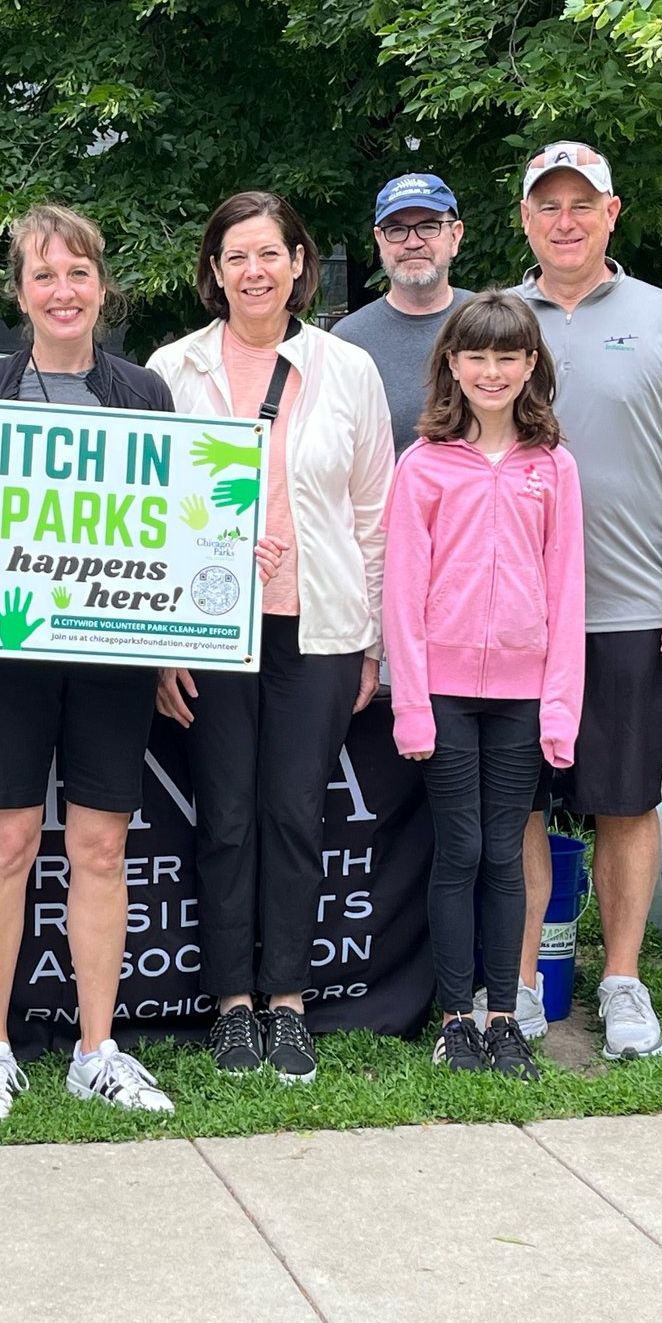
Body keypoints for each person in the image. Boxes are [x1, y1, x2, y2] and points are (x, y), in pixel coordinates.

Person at [0, 206, 178, 1121]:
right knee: (10, 843)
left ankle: (95, 1048)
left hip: (111, 655)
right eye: (43, 275)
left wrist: (219, 561)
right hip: (7, 651)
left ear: (103, 286)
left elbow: (176, 528)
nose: (62, 291)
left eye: (77, 273)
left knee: (101, 848)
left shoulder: (144, 393)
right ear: (19, 291)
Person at [149, 191, 395, 1083]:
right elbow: (146, 515)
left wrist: (368, 640)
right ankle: (231, 1005)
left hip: (319, 627)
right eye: (234, 256)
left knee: (294, 814)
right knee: (224, 818)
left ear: (299, 263)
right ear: (214, 272)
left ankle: (287, 1002)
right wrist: (162, 645)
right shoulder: (171, 369)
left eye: (269, 253)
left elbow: (374, 513)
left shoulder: (347, 369)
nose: (253, 271)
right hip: (207, 631)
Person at [512, 141, 662, 1061]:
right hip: (513, 618)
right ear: (526, 219)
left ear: (612, 213)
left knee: (627, 803)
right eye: (546, 205)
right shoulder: (493, 318)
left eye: (581, 203)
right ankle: (520, 982)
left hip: (634, 610)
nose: (564, 219)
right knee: (518, 804)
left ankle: (623, 981)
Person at [382, 292, 585, 1081]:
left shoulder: (554, 467)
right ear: (452, 365)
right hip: (444, 694)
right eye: (477, 356)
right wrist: (412, 701)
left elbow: (568, 591)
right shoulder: (423, 463)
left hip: (525, 695)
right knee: (458, 849)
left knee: (506, 851)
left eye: (508, 356)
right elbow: (401, 592)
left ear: (531, 364)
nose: (492, 371)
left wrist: (561, 704)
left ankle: (506, 1013)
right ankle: (455, 1017)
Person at [333, 172, 467, 457]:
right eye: (396, 229)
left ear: (455, 235)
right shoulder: (346, 342)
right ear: (379, 240)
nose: (413, 242)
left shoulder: (488, 322)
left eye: (429, 227)